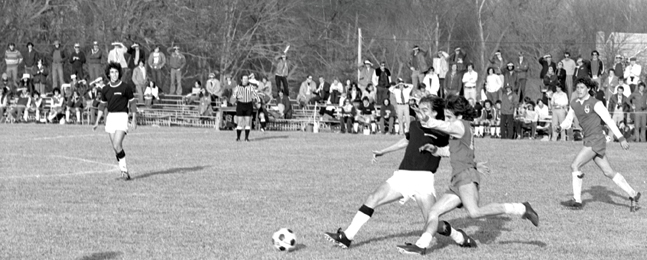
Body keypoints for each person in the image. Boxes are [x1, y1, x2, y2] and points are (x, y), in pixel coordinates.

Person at [325, 95, 476, 250]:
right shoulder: (414, 125)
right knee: (373, 198)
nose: (420, 113)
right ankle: (347, 236)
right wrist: (384, 151)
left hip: (423, 179)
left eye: (425, 110)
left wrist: (466, 174)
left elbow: (456, 151)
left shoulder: (444, 132)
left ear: (436, 113)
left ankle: (459, 237)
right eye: (419, 108)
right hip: (402, 175)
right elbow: (406, 141)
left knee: (432, 221)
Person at [397, 94, 539, 255]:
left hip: (466, 177)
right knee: (433, 212)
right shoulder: (458, 128)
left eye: (449, 116)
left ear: (459, 115)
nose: (448, 119)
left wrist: (428, 120)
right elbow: (453, 151)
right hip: (457, 179)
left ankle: (521, 208)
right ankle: (421, 246)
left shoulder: (459, 125)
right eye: (446, 116)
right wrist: (436, 150)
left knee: (474, 212)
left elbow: (445, 127)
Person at [559, 78, 641, 212]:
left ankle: (577, 200)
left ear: (588, 89)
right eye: (577, 87)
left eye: (582, 88)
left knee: (575, 165)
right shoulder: (574, 103)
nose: (579, 90)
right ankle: (633, 194)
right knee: (608, 172)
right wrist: (560, 127)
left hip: (596, 139)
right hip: (589, 139)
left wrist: (621, 138)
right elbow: (568, 120)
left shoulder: (595, 103)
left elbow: (609, 121)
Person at [93, 62, 138, 181]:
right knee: (115, 147)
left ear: (119, 73)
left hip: (122, 117)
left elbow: (133, 103)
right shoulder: (105, 89)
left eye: (116, 72)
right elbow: (102, 106)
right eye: (112, 72)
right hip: (111, 118)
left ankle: (124, 171)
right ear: (108, 74)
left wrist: (134, 118)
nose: (114, 74)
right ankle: (124, 171)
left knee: (117, 144)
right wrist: (97, 121)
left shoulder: (125, 87)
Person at [232, 75, 260, 141]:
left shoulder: (251, 87)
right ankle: (238, 138)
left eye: (247, 79)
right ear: (241, 80)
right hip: (240, 105)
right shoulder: (238, 87)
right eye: (244, 79)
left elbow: (256, 95)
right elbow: (233, 96)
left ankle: (246, 138)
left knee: (248, 121)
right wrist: (237, 97)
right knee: (240, 121)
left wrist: (258, 102)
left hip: (248, 105)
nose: (245, 80)